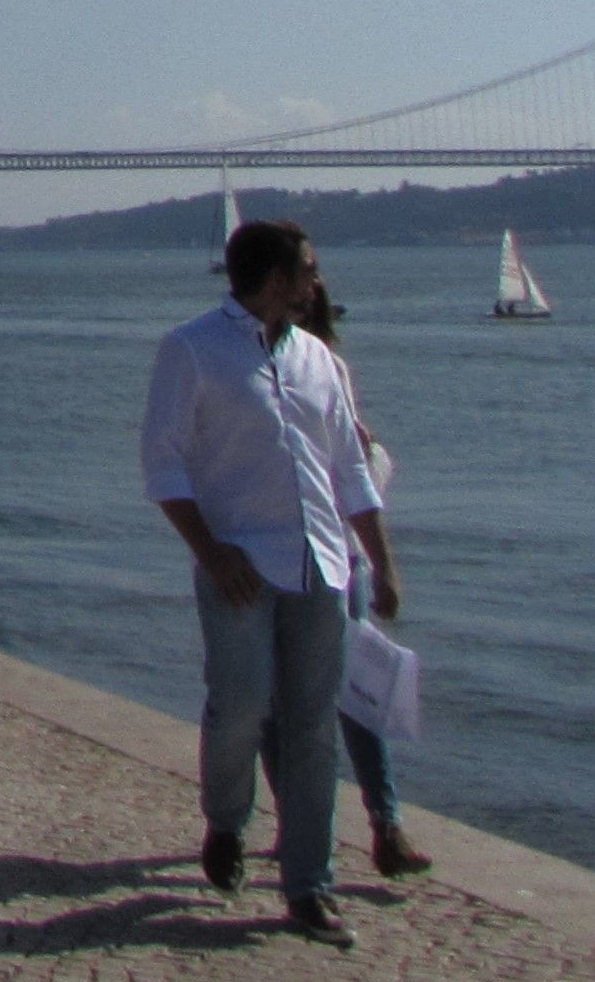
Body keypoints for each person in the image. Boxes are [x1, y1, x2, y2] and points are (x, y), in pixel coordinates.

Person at [143, 218, 399, 944]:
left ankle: (307, 889)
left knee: (313, 728)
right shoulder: (191, 349)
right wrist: (210, 550)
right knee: (243, 706)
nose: (318, 282)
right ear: (276, 278)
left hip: (321, 561)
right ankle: (226, 821)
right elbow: (162, 463)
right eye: (309, 269)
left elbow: (348, 465)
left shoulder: (317, 357)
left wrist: (379, 561)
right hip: (240, 565)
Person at [295, 280, 430, 882]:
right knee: (310, 702)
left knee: (347, 697)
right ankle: (347, 828)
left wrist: (379, 565)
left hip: (339, 554)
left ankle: (384, 826)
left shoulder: (327, 367)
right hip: (310, 552)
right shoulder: (271, 367)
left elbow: (350, 463)